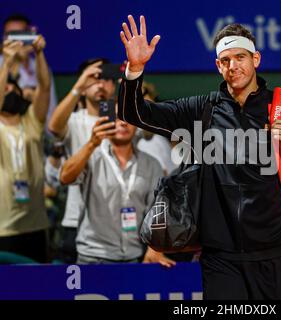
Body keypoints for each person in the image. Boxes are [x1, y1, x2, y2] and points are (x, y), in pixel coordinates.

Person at [118, 15, 281, 299]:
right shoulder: (201, 110)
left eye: (240, 57)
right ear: (217, 66)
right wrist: (135, 70)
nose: (233, 66)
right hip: (223, 259)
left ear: (256, 59)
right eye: (225, 60)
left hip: (280, 253)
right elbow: (133, 114)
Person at [59, 117, 166, 264]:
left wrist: (155, 247)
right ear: (105, 122)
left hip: (133, 258)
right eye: (116, 118)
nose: (123, 122)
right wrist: (91, 144)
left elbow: (157, 211)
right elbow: (64, 178)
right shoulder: (90, 158)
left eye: (129, 117)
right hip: (92, 258)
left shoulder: (152, 164)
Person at [47, 58, 116, 263]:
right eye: (93, 79)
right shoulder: (74, 120)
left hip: (116, 221)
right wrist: (78, 86)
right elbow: (53, 128)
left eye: (106, 78)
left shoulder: (124, 121)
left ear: (114, 84)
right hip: (76, 219)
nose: (100, 84)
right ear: (84, 86)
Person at [0, 35, 51, 263]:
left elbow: (45, 86)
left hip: (36, 224)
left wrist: (39, 54)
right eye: (5, 87)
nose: (9, 90)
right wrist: (7, 63)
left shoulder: (31, 121)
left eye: (14, 87)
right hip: (4, 227)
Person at [0, 14, 58, 124]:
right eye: (10, 35)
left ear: (29, 35)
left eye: (20, 34)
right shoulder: (2, 65)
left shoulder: (41, 68)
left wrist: (38, 52)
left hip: (34, 131)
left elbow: (50, 110)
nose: (15, 40)